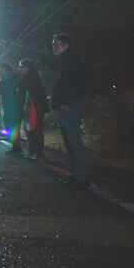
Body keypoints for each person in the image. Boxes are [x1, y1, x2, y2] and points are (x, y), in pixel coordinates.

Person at [51, 33, 89, 186]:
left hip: (69, 106)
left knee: (73, 141)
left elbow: (73, 84)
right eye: (53, 44)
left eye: (56, 43)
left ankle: (80, 177)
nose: (54, 46)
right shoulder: (63, 61)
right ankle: (75, 175)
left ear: (65, 44)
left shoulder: (70, 60)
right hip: (66, 105)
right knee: (69, 141)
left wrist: (66, 102)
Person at [18, 58, 49, 160]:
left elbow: (33, 94)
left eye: (22, 67)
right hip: (31, 107)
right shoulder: (29, 77)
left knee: (35, 129)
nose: (20, 69)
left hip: (34, 107)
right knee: (31, 129)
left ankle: (37, 152)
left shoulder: (31, 78)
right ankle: (34, 152)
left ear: (27, 67)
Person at [0, 63, 23, 154]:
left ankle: (16, 147)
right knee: (10, 127)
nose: (1, 71)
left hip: (14, 106)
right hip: (8, 106)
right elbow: (1, 95)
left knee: (13, 127)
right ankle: (15, 146)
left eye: (2, 69)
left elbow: (18, 91)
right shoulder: (3, 81)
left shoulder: (13, 79)